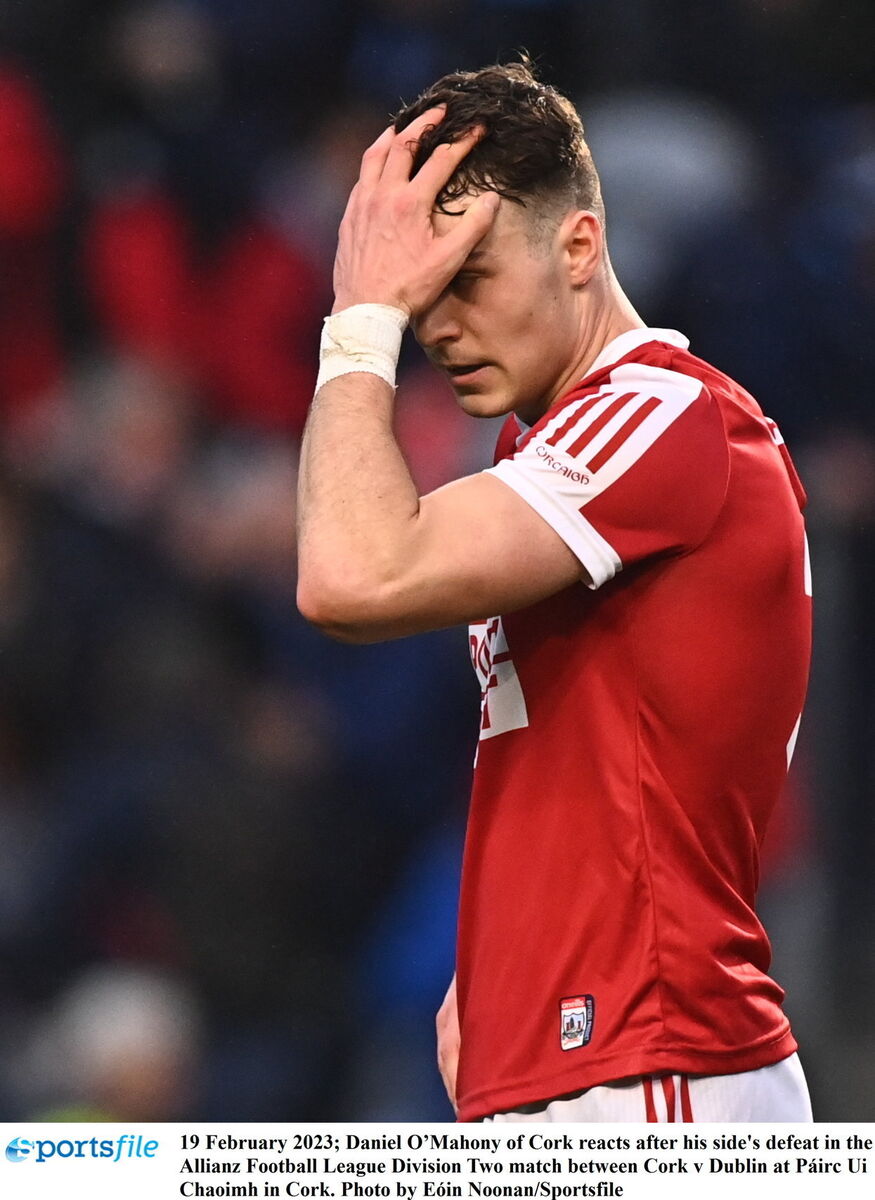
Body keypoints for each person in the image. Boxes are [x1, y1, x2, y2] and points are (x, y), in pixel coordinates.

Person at [296, 62, 813, 1123]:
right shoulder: (551, 445)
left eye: (467, 278)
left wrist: (358, 319)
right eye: (417, 291)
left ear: (578, 246)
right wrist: (499, 972)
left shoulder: (662, 416)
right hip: (570, 1061)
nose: (433, 325)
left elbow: (353, 573)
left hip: (652, 1073)